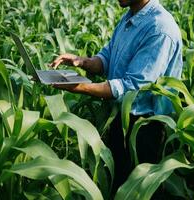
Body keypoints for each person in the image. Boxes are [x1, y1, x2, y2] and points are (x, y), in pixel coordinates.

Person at [50, 0, 183, 194]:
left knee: (136, 192)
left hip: (145, 129)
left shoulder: (160, 28)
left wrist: (80, 87)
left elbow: (132, 87)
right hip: (122, 120)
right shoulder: (129, 17)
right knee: (117, 184)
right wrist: (82, 62)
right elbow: (107, 58)